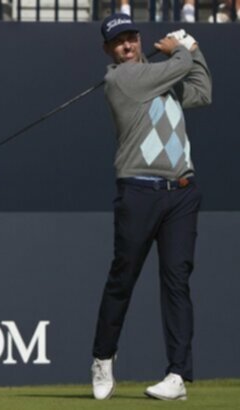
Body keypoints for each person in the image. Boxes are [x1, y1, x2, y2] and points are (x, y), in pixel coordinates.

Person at [91, 14, 212, 401]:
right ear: (108, 50)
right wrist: (183, 48)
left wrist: (194, 51)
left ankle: (177, 375)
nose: (128, 45)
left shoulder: (161, 78)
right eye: (119, 41)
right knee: (122, 278)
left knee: (177, 280)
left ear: (138, 39)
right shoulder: (119, 80)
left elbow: (201, 91)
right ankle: (103, 358)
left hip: (181, 192)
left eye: (131, 37)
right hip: (139, 191)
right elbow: (178, 67)